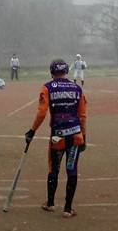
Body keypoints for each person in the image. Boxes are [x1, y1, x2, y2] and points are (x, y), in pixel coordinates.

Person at [25, 59, 87, 218]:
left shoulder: (48, 88)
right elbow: (82, 116)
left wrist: (32, 131)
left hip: (57, 137)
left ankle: (51, 203)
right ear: (66, 71)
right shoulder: (77, 88)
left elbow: (41, 112)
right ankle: (68, 208)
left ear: (51, 72)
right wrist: (84, 137)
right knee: (72, 169)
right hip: (75, 135)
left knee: (54, 169)